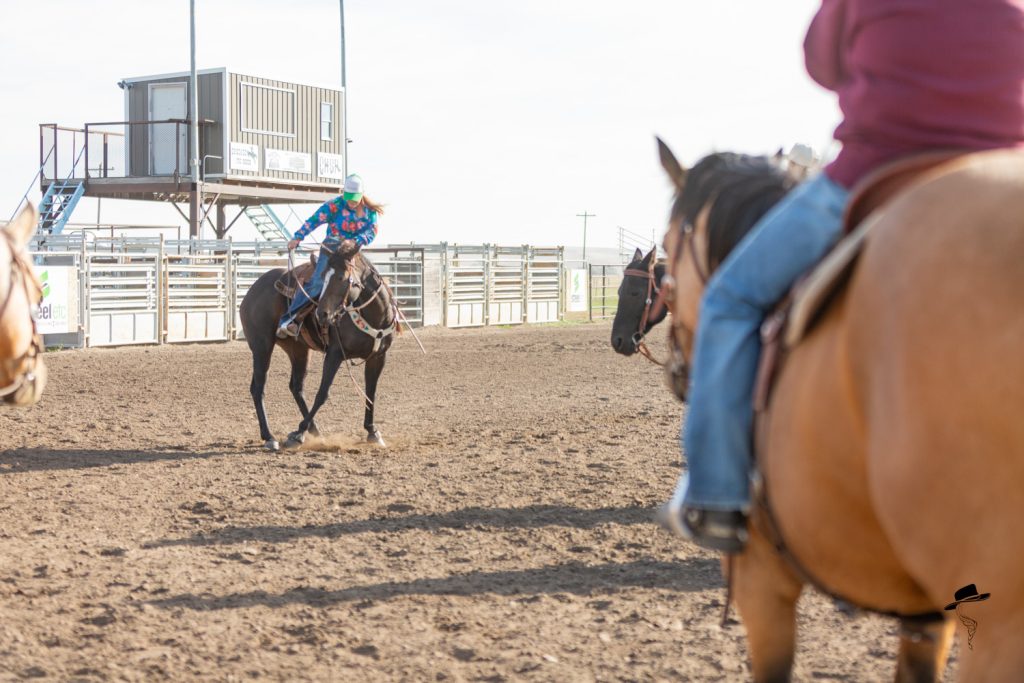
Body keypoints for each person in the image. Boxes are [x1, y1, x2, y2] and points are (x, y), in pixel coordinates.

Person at [665, 0, 1024, 552]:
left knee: (730, 300)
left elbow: (821, 62)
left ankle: (717, 495)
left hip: (875, 171)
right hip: (1004, 175)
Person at [276, 174, 384, 339]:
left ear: (361, 195)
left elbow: (372, 231)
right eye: (348, 198)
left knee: (370, 280)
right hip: (330, 250)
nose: (351, 202)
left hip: (352, 252)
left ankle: (387, 316)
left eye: (354, 199)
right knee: (318, 282)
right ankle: (289, 319)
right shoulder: (334, 205)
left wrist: (355, 241)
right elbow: (314, 221)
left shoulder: (369, 211)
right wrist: (298, 237)